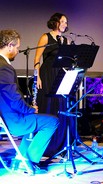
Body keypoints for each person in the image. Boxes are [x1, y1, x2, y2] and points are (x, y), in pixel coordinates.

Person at [0, 29, 59, 175]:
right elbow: (14, 101)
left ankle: (21, 158)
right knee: (53, 121)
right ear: (9, 46)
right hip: (14, 120)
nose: (18, 51)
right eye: (17, 47)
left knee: (37, 122)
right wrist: (31, 109)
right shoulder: (4, 68)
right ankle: (30, 161)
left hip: (7, 117)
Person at [33, 12, 73, 157]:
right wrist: (37, 77)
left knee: (61, 107)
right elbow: (37, 58)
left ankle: (61, 145)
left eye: (66, 22)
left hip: (60, 75)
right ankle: (46, 146)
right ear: (55, 22)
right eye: (63, 21)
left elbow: (68, 61)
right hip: (47, 74)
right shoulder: (45, 37)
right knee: (48, 106)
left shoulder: (66, 41)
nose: (65, 25)